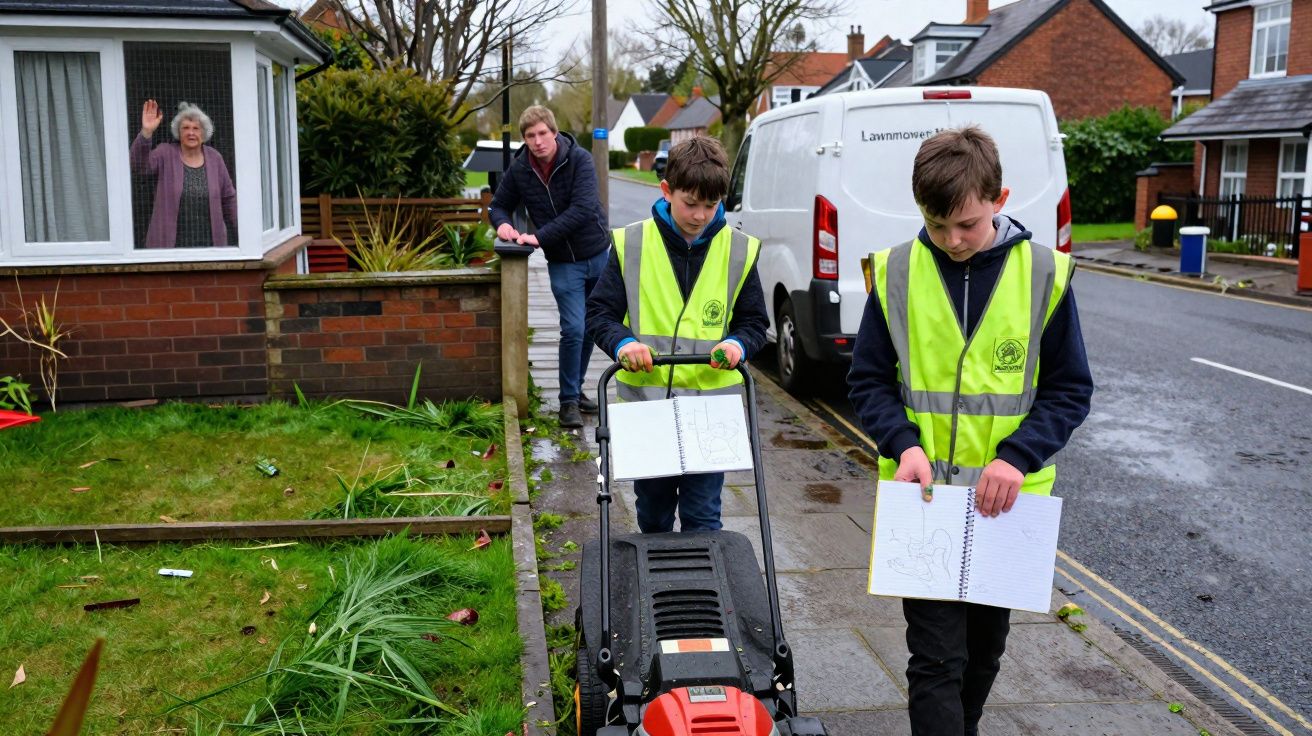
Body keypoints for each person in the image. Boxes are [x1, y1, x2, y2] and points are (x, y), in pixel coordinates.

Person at [847, 126, 1093, 736]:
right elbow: (868, 382)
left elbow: (1070, 390)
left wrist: (1018, 456)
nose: (952, 241)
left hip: (1004, 506)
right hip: (924, 504)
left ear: (999, 198)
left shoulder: (1045, 276)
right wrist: (901, 445)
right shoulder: (897, 273)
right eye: (936, 225)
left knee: (983, 654)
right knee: (936, 660)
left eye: (968, 225)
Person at [587, 135, 769, 534]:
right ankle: (657, 590)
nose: (701, 215)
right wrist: (623, 343)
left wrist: (738, 344)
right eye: (691, 203)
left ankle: (702, 593)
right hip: (648, 407)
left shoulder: (738, 250)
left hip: (708, 414)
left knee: (703, 517)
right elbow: (600, 313)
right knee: (652, 514)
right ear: (667, 191)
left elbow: (755, 323)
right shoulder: (632, 244)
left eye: (711, 204)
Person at [489, 105, 610, 429]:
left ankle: (576, 389)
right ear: (525, 140)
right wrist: (503, 225)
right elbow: (498, 205)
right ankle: (567, 403)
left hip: (597, 254)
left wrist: (538, 237)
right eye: (531, 135)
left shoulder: (579, 160)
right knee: (573, 328)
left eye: (543, 133)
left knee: (589, 329)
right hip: (563, 263)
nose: (538, 141)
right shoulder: (520, 170)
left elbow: (583, 209)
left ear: (554, 133)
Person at [130, 100, 237, 248]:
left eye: (196, 128)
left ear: (204, 133)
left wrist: (246, 231)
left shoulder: (215, 158)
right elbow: (138, 165)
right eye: (185, 128)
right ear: (178, 133)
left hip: (210, 247)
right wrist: (146, 133)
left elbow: (229, 198)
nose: (191, 132)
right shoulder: (165, 153)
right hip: (170, 246)